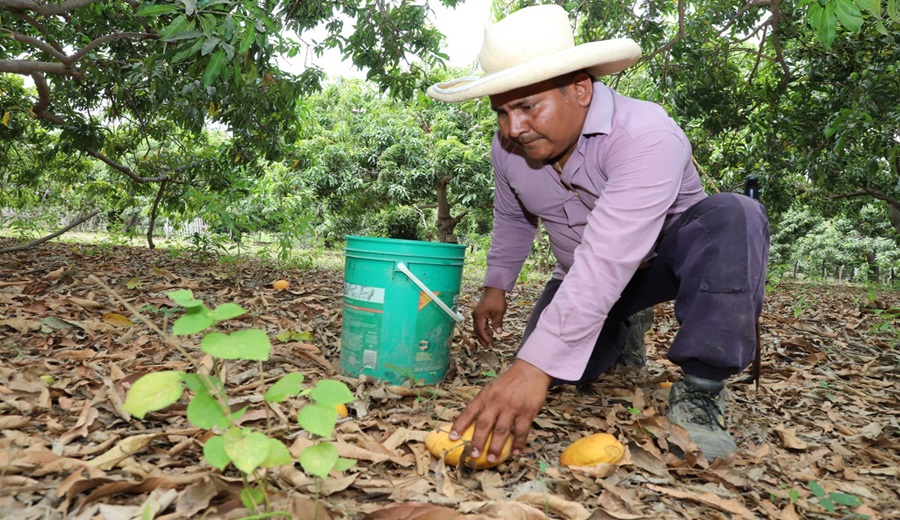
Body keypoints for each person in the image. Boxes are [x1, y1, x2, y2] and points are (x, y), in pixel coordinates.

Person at [426, 4, 770, 462]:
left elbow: (610, 254)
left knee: (735, 214)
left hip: (658, 263)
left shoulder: (646, 135)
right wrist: (496, 288)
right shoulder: (507, 147)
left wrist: (531, 368)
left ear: (581, 90)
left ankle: (702, 389)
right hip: (579, 273)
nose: (514, 127)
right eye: (502, 112)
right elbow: (513, 217)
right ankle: (624, 328)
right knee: (562, 370)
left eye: (528, 106)